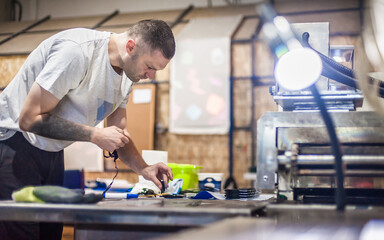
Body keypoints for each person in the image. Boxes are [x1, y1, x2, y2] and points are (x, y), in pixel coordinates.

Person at [0, 19, 175, 240]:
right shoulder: (77, 53)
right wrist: (93, 134)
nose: (151, 76)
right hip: (14, 142)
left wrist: (143, 169)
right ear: (131, 46)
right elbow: (28, 119)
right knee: (20, 234)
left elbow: (119, 134)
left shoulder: (128, 74)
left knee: (50, 232)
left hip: (51, 150)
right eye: (150, 67)